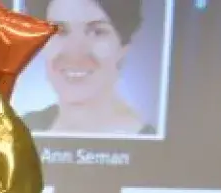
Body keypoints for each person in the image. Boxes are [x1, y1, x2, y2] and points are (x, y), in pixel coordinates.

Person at [21, 0, 155, 136]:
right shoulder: (25, 126)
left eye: (97, 32)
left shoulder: (150, 142)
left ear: (123, 47)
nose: (75, 53)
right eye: (59, 30)